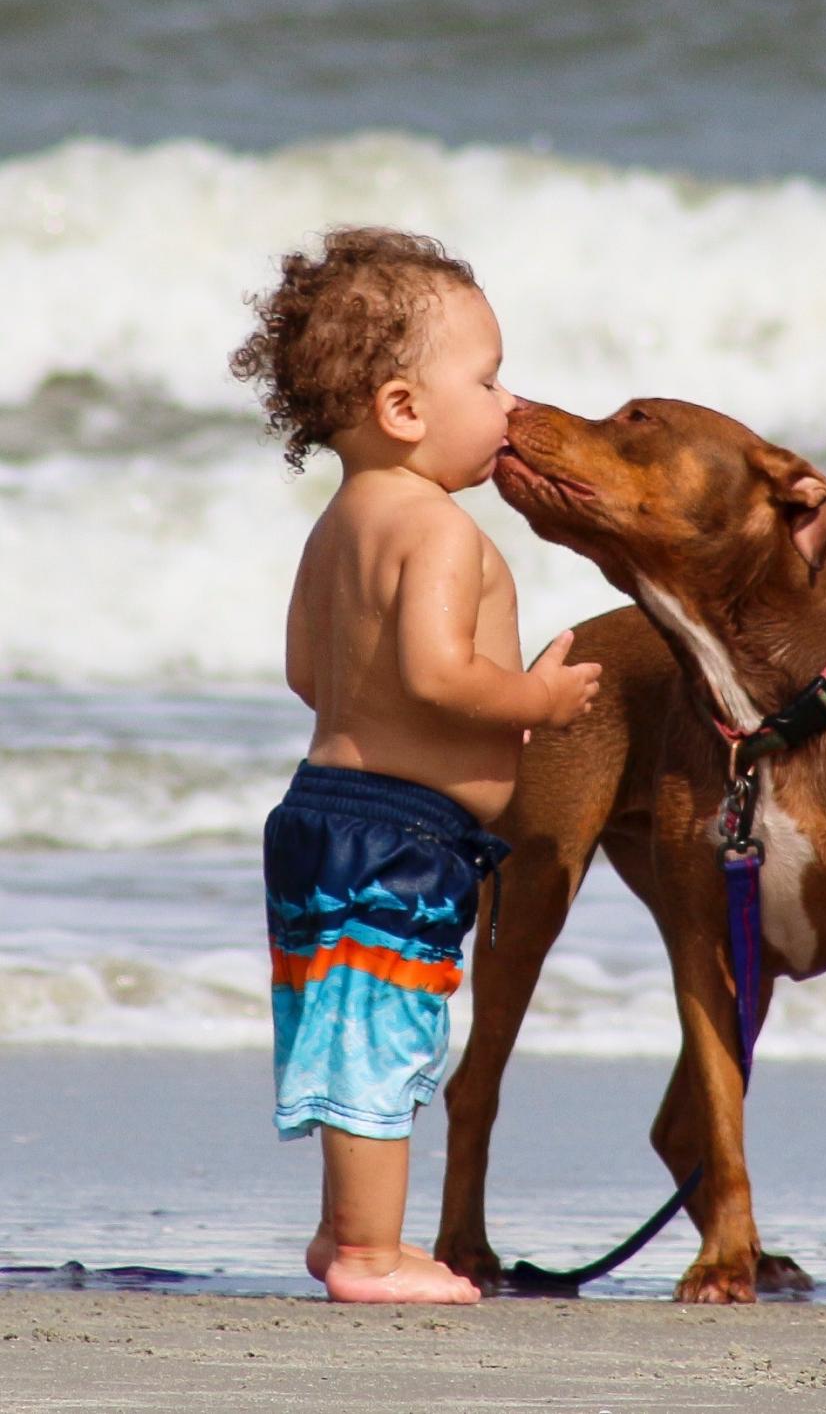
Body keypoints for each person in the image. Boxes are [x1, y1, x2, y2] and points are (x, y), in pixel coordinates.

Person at [230, 227, 600, 1304]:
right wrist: (534, 700)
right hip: (397, 832)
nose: (509, 404)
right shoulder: (437, 530)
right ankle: (369, 1252)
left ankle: (342, 1231)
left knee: (344, 1024)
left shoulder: (339, 524)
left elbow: (309, 669)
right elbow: (440, 674)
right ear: (404, 408)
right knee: (384, 1040)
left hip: (319, 812)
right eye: (487, 381)